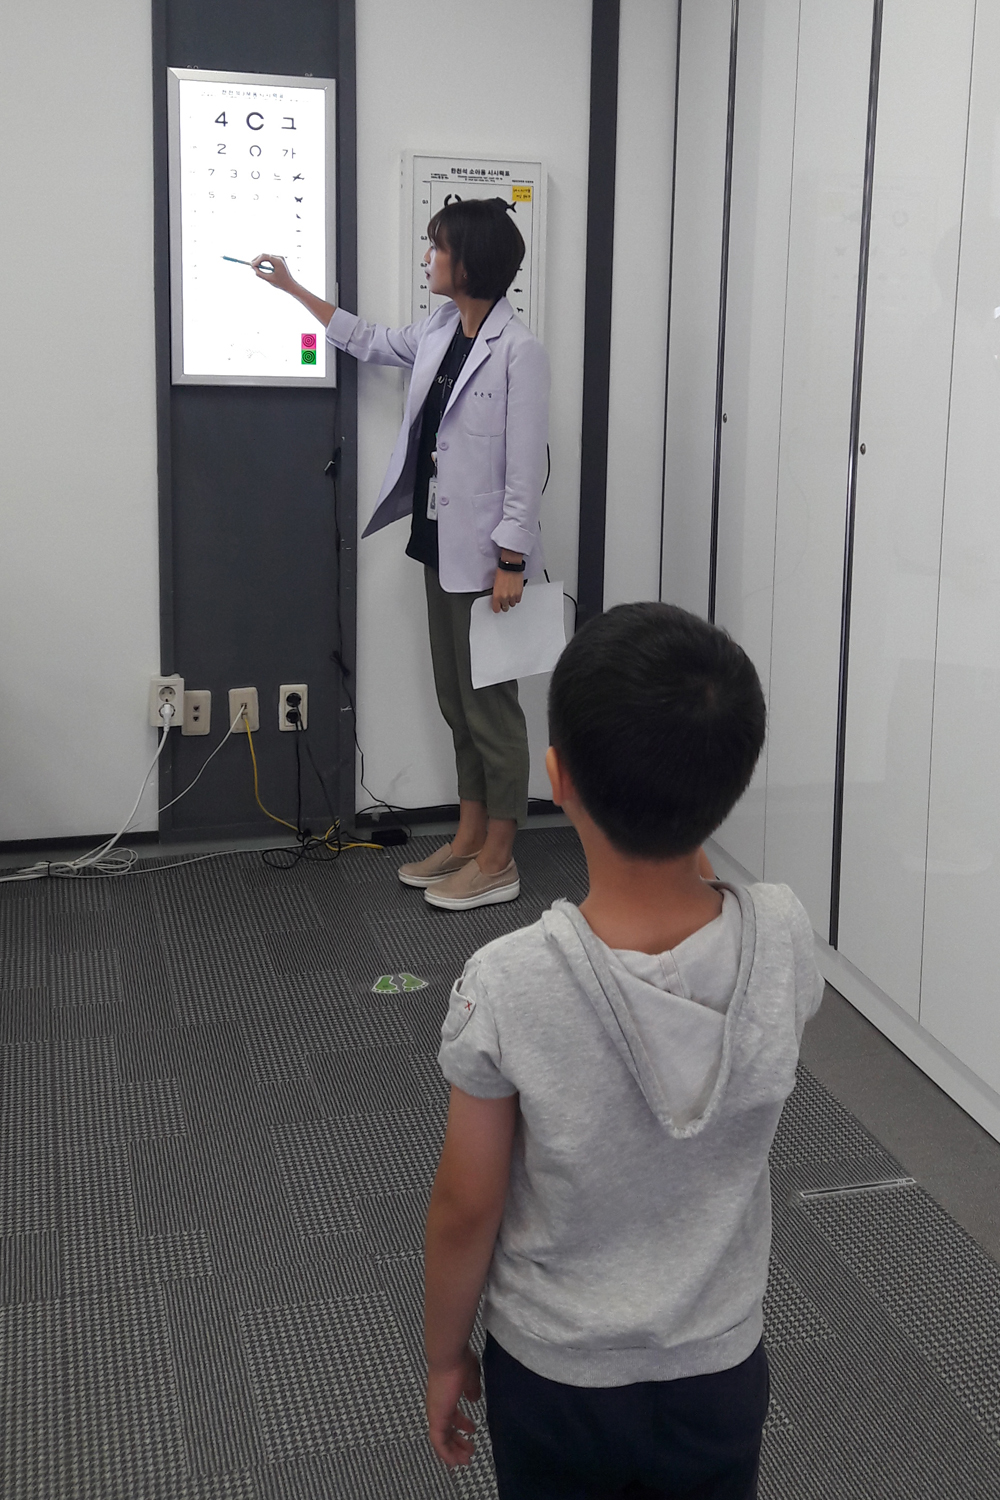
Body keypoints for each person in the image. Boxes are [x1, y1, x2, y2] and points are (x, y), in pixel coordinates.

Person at [423, 602, 825, 1499]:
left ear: (557, 778)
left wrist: (444, 1354)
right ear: (733, 781)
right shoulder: (786, 934)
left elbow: (465, 1206)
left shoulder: (510, 981)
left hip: (556, 1374)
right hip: (718, 1366)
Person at [251, 197, 549, 911]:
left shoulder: (519, 350)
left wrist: (511, 561)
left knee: (492, 710)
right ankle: (469, 837)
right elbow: (372, 340)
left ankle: (500, 859)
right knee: (457, 701)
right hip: (440, 541)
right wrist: (293, 289)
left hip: (490, 560)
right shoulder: (443, 328)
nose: (427, 258)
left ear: (469, 261)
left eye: (437, 247)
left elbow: (523, 467)